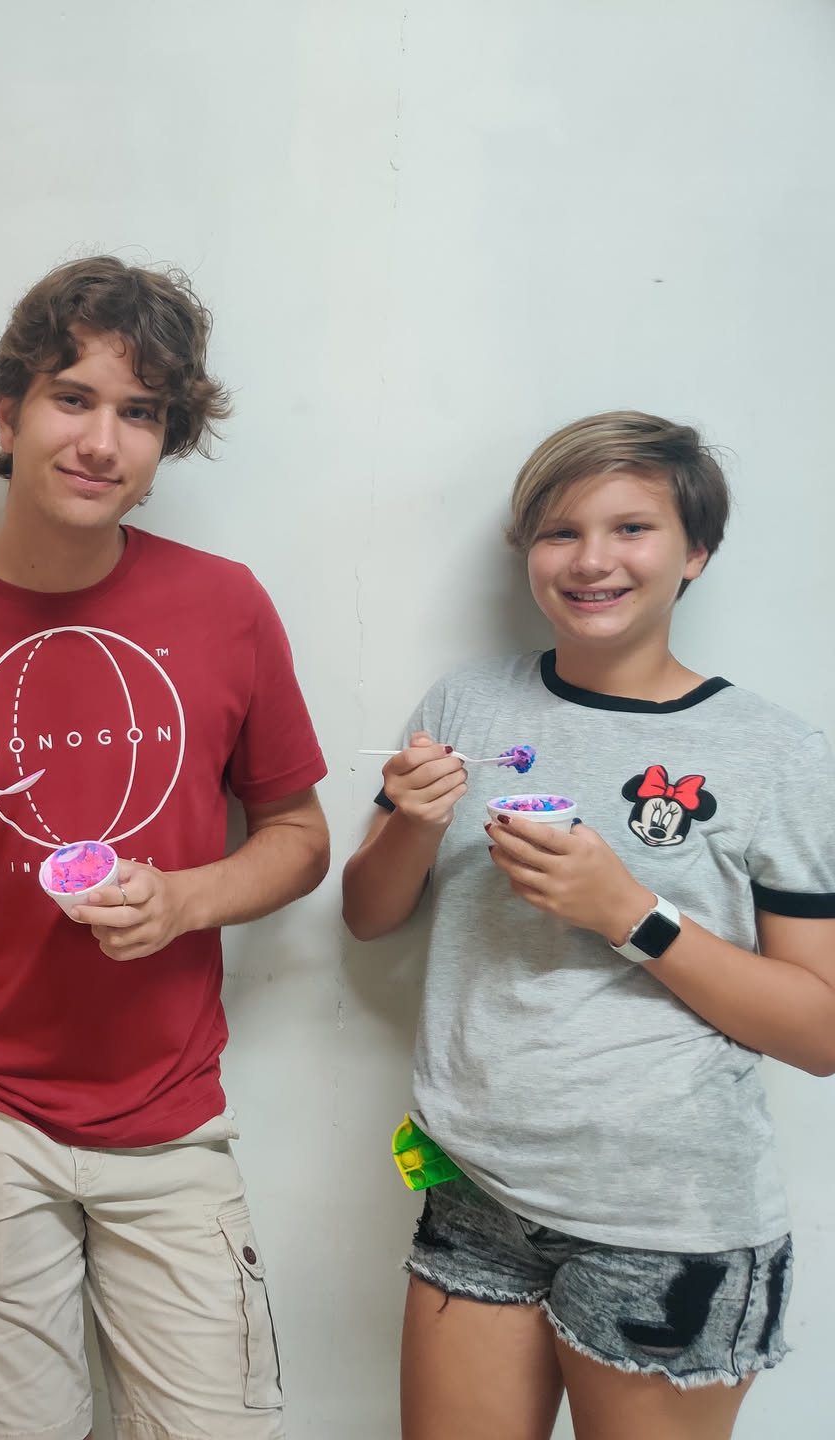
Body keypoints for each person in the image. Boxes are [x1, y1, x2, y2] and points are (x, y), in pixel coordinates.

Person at [0, 256, 330, 1440]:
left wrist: (185, 900)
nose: (101, 441)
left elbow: (300, 838)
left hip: (174, 1114)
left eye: (139, 413)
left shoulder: (228, 607)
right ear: (8, 414)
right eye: (72, 397)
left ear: (166, 442)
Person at [342, 412, 835, 1440]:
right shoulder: (467, 704)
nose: (591, 560)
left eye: (632, 529)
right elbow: (368, 916)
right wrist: (413, 825)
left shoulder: (778, 754)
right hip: (475, 1191)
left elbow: (819, 1032)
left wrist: (630, 915)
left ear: (696, 551)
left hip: (670, 1221)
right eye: (560, 531)